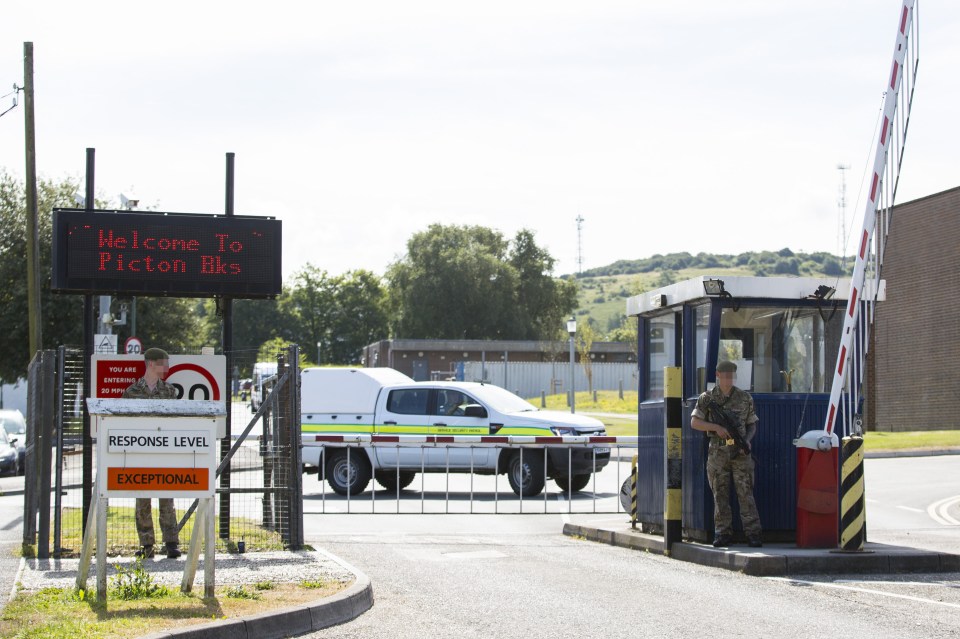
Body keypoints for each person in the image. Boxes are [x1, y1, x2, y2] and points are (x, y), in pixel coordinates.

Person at [690, 360, 763, 548]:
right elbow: (695, 423)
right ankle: (722, 533)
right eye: (726, 376)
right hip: (718, 452)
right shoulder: (707, 398)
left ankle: (753, 533)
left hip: (740, 452)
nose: (729, 379)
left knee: (745, 493)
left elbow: (752, 424)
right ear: (717, 375)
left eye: (732, 376)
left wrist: (746, 440)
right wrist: (716, 428)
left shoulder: (744, 398)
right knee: (720, 494)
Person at [122, 347, 182, 559]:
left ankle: (171, 542)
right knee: (142, 500)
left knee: (167, 498)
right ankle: (146, 544)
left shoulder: (169, 391)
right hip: (141, 451)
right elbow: (126, 425)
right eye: (163, 363)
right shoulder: (131, 393)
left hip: (163, 451)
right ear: (151, 364)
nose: (166, 368)